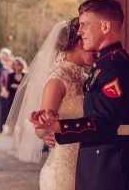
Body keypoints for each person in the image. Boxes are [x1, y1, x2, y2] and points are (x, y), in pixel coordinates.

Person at [31, 0, 129, 190]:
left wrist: (60, 127)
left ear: (105, 26)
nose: (80, 31)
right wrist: (53, 128)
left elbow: (105, 123)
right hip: (97, 159)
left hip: (110, 163)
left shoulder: (115, 65)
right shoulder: (101, 64)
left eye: (85, 25)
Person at [7, 18, 93, 190]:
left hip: (87, 166)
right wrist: (50, 130)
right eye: (89, 42)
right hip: (64, 172)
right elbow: (40, 129)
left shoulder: (84, 77)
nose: (96, 49)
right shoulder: (58, 79)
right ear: (78, 43)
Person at [0, 48, 11, 134]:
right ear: (2, 55)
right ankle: (0, 128)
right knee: (1, 108)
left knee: (8, 107)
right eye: (6, 54)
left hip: (8, 90)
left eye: (8, 55)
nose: (8, 56)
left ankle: (9, 126)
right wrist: (4, 67)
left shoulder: (10, 64)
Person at [6, 57, 26, 121]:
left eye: (19, 64)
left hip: (22, 98)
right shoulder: (10, 75)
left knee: (21, 116)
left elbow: (26, 87)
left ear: (21, 65)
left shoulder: (25, 75)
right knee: (12, 117)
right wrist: (20, 86)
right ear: (13, 66)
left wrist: (14, 85)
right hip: (12, 98)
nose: (17, 65)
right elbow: (8, 86)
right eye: (15, 64)